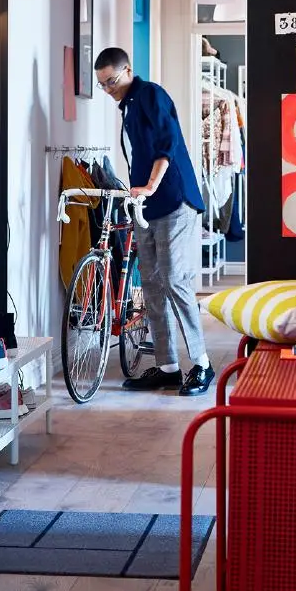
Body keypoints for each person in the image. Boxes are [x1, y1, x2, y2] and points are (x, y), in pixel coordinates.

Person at [94, 47, 214, 396]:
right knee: (152, 287)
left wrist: (149, 185)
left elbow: (167, 145)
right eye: (102, 85)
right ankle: (168, 366)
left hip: (174, 200)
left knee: (176, 280)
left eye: (111, 81)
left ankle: (202, 364)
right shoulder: (128, 106)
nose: (108, 90)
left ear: (128, 70)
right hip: (147, 207)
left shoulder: (150, 95)